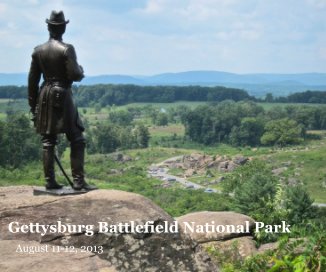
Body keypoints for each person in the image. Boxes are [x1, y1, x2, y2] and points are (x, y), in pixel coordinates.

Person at [28, 10, 94, 190]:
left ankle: (50, 181)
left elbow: (32, 82)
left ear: (48, 27)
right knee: (77, 138)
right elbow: (74, 74)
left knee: (48, 140)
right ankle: (79, 181)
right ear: (63, 27)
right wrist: (80, 69)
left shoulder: (38, 51)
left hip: (44, 95)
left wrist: (33, 106)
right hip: (62, 95)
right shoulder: (67, 49)